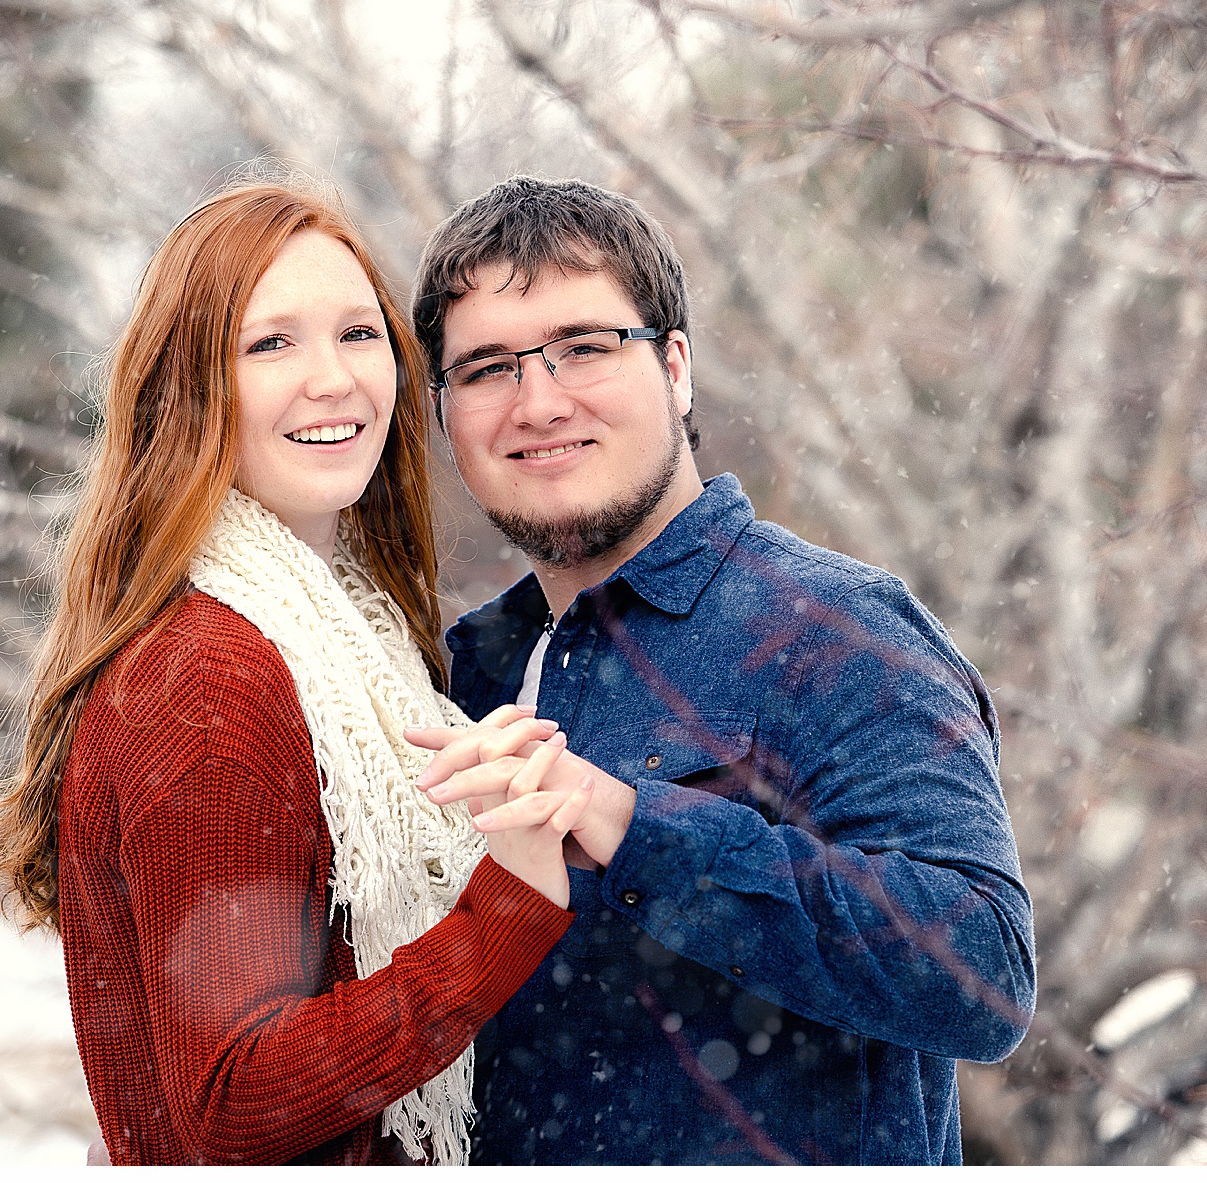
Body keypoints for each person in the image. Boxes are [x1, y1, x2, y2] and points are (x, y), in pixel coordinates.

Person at [406, 179, 1037, 1167]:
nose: (539, 400)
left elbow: (984, 974)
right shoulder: (452, 673)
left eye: (583, 345)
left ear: (677, 364)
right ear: (445, 414)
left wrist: (630, 826)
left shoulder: (835, 628)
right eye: (487, 366)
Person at [0, 181, 580, 1166]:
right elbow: (236, 1093)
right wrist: (502, 909)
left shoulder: (352, 638)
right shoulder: (211, 679)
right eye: (271, 343)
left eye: (357, 332)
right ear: (190, 388)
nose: (333, 378)